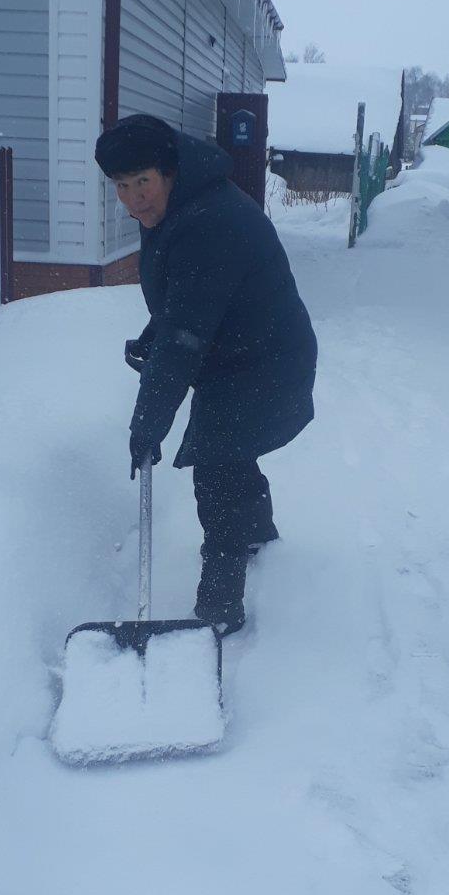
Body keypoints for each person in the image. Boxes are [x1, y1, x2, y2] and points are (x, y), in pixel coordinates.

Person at [94, 113, 317, 634]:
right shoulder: (180, 207)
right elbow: (184, 306)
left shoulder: (210, 221)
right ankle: (259, 533)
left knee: (216, 471)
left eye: (142, 183)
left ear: (169, 173)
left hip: (265, 360)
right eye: (121, 187)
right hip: (240, 351)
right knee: (230, 453)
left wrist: (149, 421)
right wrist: (156, 336)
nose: (132, 200)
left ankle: (219, 608)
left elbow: (186, 335)